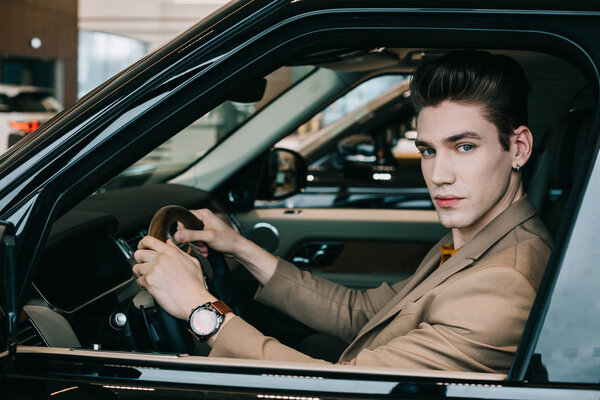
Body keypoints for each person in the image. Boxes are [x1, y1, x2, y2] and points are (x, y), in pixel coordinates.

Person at [132, 50, 552, 373]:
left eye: (464, 147)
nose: (439, 175)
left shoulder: (503, 285)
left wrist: (198, 308)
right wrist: (238, 246)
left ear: (517, 148)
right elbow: (363, 316)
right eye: (427, 149)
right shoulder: (484, 237)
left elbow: (341, 388)